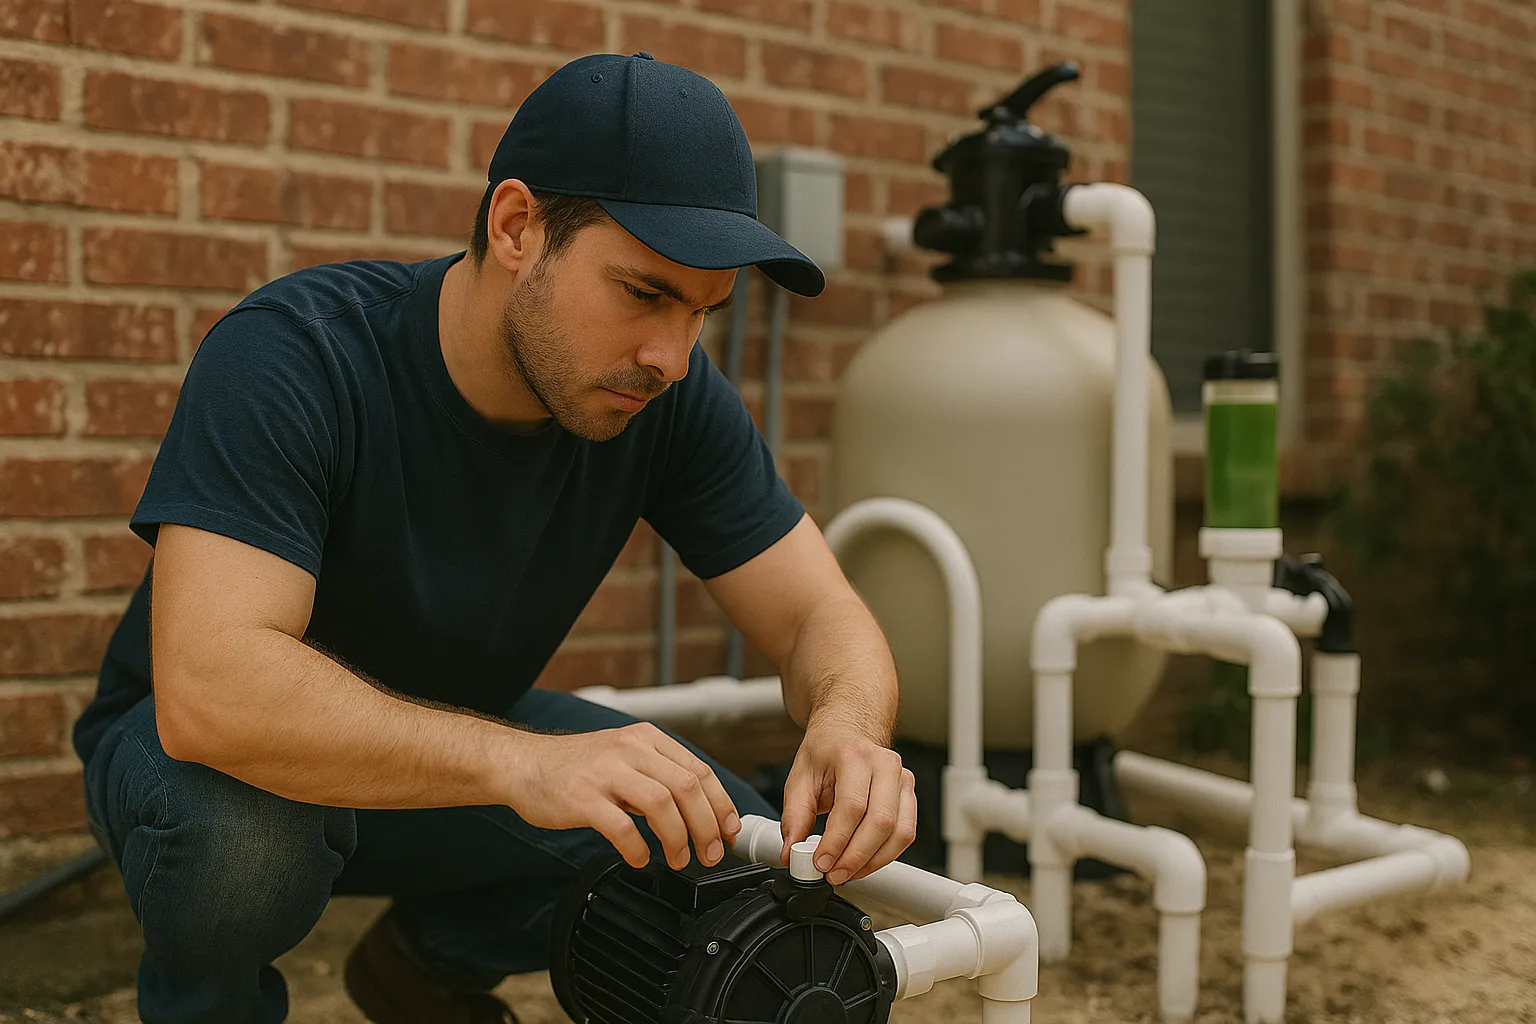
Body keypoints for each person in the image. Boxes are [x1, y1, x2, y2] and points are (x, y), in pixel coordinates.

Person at [69, 51, 915, 1024]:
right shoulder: (295, 353)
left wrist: (850, 728)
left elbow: (817, 612)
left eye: (703, 312)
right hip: (204, 770)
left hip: (449, 758)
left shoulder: (665, 398)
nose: (672, 357)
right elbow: (213, 692)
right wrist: (525, 766)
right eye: (643, 292)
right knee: (248, 833)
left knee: (717, 846)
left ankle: (423, 969)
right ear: (517, 227)